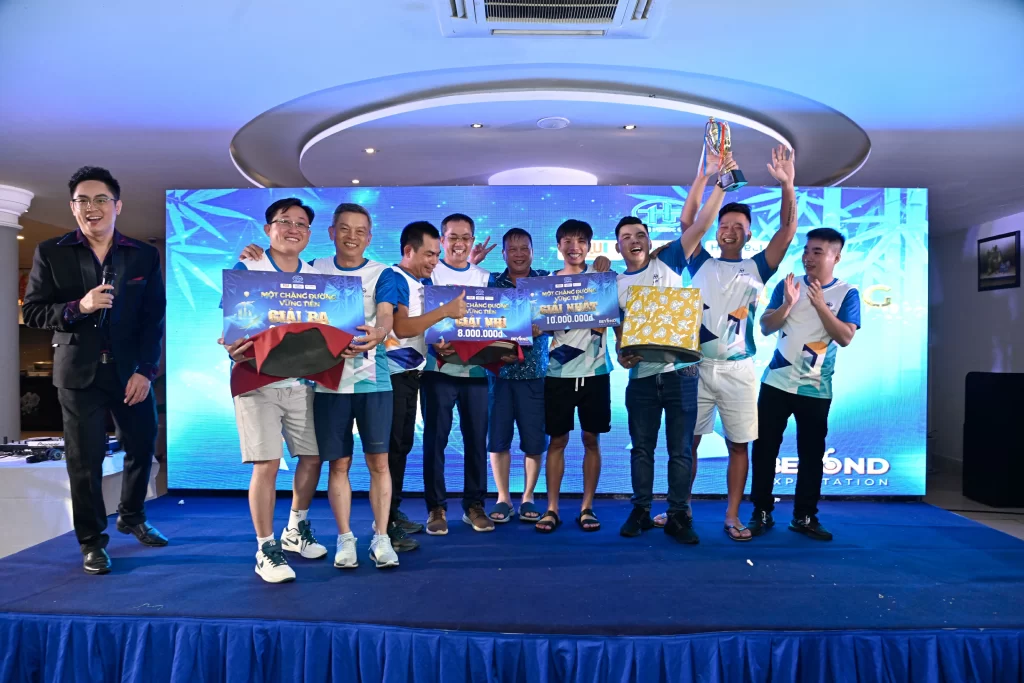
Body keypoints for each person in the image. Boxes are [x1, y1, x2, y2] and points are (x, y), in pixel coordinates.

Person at [22, 166, 167, 575]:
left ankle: (132, 515)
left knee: (142, 445)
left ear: (117, 206)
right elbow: (33, 311)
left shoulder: (142, 255)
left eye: (101, 199)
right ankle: (91, 541)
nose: (92, 207)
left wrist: (145, 371)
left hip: (129, 373)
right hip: (78, 374)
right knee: (84, 461)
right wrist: (79, 307)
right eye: (83, 200)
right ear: (73, 208)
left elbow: (153, 318)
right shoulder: (51, 251)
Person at [241, 203, 400, 568]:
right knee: (337, 463)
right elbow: (276, 290)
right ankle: (345, 539)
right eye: (344, 228)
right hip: (326, 383)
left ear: (370, 237)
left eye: (360, 231)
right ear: (330, 233)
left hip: (373, 380)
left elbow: (386, 313)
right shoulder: (314, 270)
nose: (351, 237)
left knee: (379, 462)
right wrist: (257, 256)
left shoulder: (383, 272)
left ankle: (381, 538)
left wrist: (380, 331)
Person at [651, 146, 797, 541]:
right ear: (716, 230)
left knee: (738, 446)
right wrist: (706, 175)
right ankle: (679, 507)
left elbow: (786, 232)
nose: (729, 230)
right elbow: (688, 221)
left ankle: (732, 516)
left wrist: (788, 185)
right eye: (724, 224)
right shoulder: (700, 261)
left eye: (738, 226)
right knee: (688, 444)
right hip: (695, 367)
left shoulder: (758, 266)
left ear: (749, 233)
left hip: (739, 371)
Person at [221, 198, 326, 583]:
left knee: (313, 456)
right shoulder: (247, 267)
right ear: (268, 229)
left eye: (301, 223)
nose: (292, 229)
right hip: (256, 380)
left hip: (303, 382)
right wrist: (232, 346)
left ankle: (295, 529)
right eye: (284, 221)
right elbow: (232, 326)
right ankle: (265, 548)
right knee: (266, 463)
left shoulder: (315, 276)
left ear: (309, 234)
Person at [749, 228, 860, 541]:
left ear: (836, 257)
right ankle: (761, 511)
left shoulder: (847, 292)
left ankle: (805, 516)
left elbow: (845, 337)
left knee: (811, 454)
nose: (808, 257)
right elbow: (766, 326)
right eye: (807, 251)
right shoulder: (789, 284)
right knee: (764, 448)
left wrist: (821, 304)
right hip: (776, 382)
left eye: (817, 252)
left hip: (815, 387)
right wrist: (787, 304)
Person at [613, 214, 706, 544]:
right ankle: (640, 510)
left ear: (650, 241)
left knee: (681, 450)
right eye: (626, 237)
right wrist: (622, 354)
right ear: (618, 247)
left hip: (682, 372)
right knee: (642, 449)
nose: (634, 240)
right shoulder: (614, 285)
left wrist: (718, 187)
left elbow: (700, 225)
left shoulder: (668, 261)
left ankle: (678, 515)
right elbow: (620, 338)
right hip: (641, 377)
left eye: (640, 234)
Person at [385, 221, 467, 550]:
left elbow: (423, 331)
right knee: (391, 450)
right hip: (390, 376)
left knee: (402, 447)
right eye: (429, 254)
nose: (435, 261)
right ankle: (385, 525)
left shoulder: (424, 282)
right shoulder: (394, 278)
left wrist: (439, 345)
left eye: (436, 254)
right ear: (408, 251)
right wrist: (445, 311)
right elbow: (402, 328)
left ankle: (392, 512)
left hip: (411, 375)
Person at [535, 219, 613, 533]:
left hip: (596, 372)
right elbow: (534, 326)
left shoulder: (602, 278)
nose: (574, 247)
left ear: (589, 247)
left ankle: (587, 507)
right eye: (567, 241)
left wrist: (604, 266)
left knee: (592, 439)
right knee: (557, 440)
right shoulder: (546, 284)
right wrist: (534, 327)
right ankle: (551, 508)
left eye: (581, 241)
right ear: (558, 246)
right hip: (558, 372)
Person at [421, 213, 493, 534]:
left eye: (465, 237)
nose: (459, 243)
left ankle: (474, 505)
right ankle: (436, 507)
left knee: (476, 440)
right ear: (442, 239)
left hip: (476, 371)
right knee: (435, 439)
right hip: (438, 369)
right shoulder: (430, 272)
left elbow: (496, 321)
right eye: (453, 237)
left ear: (472, 241)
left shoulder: (484, 277)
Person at [484, 228, 550, 524]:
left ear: (533, 251)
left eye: (525, 248)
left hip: (535, 374)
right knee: (498, 440)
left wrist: (543, 325)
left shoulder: (545, 281)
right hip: (498, 375)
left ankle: (528, 497)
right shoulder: (491, 284)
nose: (519, 254)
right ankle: (503, 498)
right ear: (504, 254)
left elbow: (573, 299)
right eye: (513, 249)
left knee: (534, 440)